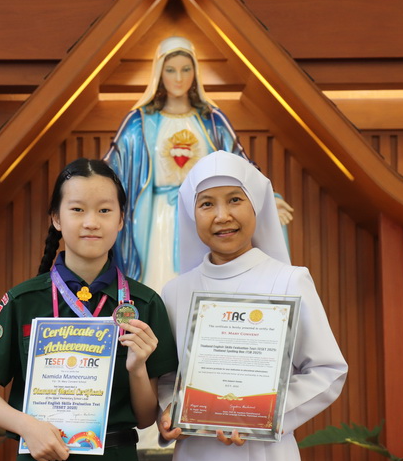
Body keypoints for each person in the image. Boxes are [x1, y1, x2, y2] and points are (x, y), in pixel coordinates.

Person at [0, 158, 178, 461]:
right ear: (56, 218)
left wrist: (138, 367)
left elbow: (144, 418)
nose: (91, 222)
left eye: (105, 210)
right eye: (77, 209)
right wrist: (28, 426)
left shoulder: (144, 303)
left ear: (121, 220)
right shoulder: (23, 300)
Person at [156, 151, 347, 461]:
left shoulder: (289, 281)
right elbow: (168, 377)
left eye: (234, 200)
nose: (222, 216)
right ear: (192, 213)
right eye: (207, 204)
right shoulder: (176, 291)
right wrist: (171, 408)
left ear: (256, 204)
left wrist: (263, 414)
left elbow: (327, 370)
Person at [104, 36, 293, 294]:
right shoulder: (139, 122)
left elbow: (242, 168)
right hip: (156, 219)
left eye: (185, 69)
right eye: (170, 70)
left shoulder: (211, 120)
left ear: (195, 72)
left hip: (204, 213)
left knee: (205, 282)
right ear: (159, 73)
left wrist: (270, 199)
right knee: (157, 281)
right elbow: (112, 171)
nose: (178, 78)